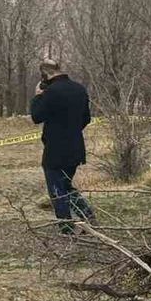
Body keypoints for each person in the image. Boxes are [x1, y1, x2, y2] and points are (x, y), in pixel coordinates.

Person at [29, 58, 95, 235]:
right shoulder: (79, 89)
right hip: (75, 147)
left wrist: (37, 96)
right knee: (65, 185)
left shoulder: (50, 92)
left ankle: (66, 228)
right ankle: (87, 215)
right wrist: (71, 130)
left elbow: (36, 116)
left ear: (46, 74)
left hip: (55, 149)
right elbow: (86, 118)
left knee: (57, 190)